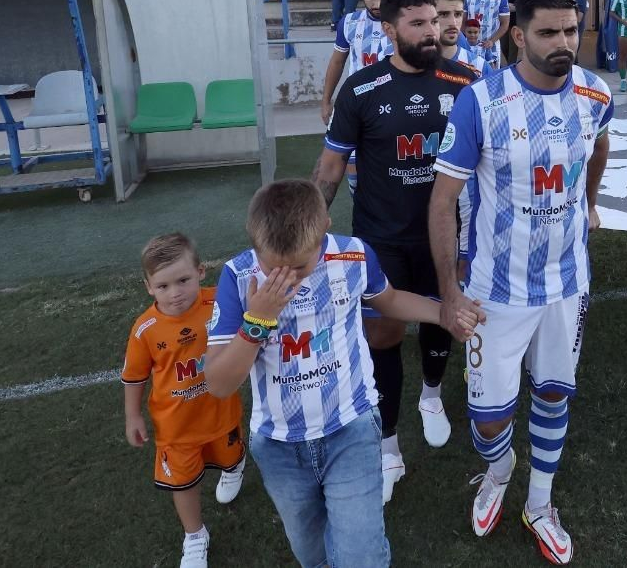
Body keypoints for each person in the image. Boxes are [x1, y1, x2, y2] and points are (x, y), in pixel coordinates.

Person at [428, 0, 613, 563]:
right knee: (488, 421)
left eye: (571, 31)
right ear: (518, 34)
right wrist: (448, 293)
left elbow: (600, 147)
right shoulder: (480, 102)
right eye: (548, 32)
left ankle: (539, 502)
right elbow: (441, 204)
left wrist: (589, 200)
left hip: (567, 281)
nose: (563, 43)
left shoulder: (596, 93)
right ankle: (499, 470)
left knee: (555, 394)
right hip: (494, 289)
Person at [203, 180, 477, 568]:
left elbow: (391, 300)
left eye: (299, 266)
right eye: (273, 266)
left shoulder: (354, 257)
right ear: (254, 244)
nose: (287, 278)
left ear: (326, 227)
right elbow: (218, 383)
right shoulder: (238, 276)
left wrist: (443, 313)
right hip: (280, 446)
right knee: (311, 554)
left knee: (361, 558)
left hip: (351, 429)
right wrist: (257, 321)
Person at [312, 0, 478, 503]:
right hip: (380, 237)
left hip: (444, 236)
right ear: (389, 30)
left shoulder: (466, 82)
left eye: (436, 22)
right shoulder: (360, 90)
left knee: (445, 320)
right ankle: (387, 445)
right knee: (382, 338)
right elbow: (331, 167)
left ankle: (432, 394)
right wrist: (309, 235)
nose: (434, 32)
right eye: (419, 24)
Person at [122, 233, 246, 568]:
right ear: (148, 287)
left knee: (230, 457)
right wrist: (132, 416)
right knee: (183, 482)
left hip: (221, 413)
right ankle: (194, 535)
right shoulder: (144, 329)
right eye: (163, 286)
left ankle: (234, 469)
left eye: (183, 280)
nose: (175, 293)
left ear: (201, 272)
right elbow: (134, 376)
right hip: (175, 427)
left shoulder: (220, 302)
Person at [464, 0, 512, 70]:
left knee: (491, 79)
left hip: (491, 46)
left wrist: (492, 41)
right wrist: (469, 40)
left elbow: (505, 24)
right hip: (470, 47)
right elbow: (462, 22)